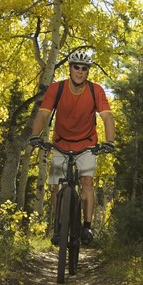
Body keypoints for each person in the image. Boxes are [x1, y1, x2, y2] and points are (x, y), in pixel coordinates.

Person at [29, 50, 115, 245]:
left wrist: (110, 140)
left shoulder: (96, 91)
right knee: (57, 185)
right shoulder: (56, 89)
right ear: (70, 68)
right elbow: (43, 114)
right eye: (76, 67)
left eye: (84, 68)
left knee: (86, 182)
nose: (80, 71)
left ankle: (87, 226)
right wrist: (35, 135)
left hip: (87, 144)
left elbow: (107, 116)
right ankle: (59, 226)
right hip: (60, 143)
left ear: (87, 72)